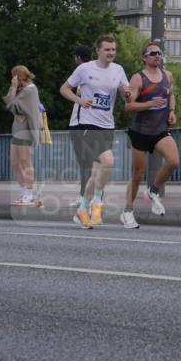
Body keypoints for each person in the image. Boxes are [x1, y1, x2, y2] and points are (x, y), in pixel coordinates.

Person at [60, 34, 131, 229]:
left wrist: (127, 94)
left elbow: (127, 96)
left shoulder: (118, 70)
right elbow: (64, 89)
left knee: (98, 170)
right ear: (98, 50)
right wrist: (80, 100)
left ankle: (84, 207)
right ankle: (97, 203)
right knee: (108, 161)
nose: (111, 53)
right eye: (107, 49)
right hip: (87, 124)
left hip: (107, 124)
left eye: (113, 50)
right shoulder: (85, 68)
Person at [120, 42, 180, 229]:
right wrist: (150, 105)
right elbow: (128, 107)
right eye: (152, 53)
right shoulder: (138, 78)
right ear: (144, 58)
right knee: (137, 175)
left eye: (159, 53)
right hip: (141, 132)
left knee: (173, 161)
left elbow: (170, 94)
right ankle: (128, 211)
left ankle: (153, 190)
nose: (156, 55)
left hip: (160, 130)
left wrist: (171, 111)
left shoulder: (168, 75)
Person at [3, 65, 43, 206]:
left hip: (25, 130)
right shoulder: (23, 90)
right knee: (14, 161)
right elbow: (11, 103)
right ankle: (24, 191)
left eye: (14, 77)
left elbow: (12, 106)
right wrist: (13, 89)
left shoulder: (30, 90)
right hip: (17, 129)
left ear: (18, 77)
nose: (12, 80)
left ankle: (30, 194)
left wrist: (13, 89)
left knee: (26, 162)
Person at [67, 44, 92, 207]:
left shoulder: (83, 71)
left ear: (78, 57)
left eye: (75, 56)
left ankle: (86, 197)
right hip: (83, 122)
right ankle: (87, 196)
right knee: (88, 163)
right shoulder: (91, 70)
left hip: (81, 123)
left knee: (86, 162)